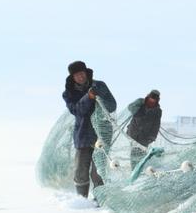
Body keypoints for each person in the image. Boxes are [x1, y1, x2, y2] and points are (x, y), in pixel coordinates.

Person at [62, 61, 116, 198]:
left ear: (86, 72)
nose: (80, 77)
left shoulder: (100, 85)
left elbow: (112, 105)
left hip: (102, 135)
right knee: (80, 170)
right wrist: (88, 97)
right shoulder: (68, 93)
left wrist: (99, 98)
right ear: (72, 77)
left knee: (98, 171)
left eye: (81, 73)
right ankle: (82, 200)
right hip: (83, 135)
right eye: (76, 75)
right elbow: (76, 110)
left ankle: (100, 199)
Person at [126, 90, 162, 169]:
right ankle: (134, 171)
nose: (151, 102)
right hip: (133, 133)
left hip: (145, 138)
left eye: (153, 101)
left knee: (141, 156)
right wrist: (139, 105)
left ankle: (138, 171)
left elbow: (156, 125)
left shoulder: (157, 111)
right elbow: (130, 107)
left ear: (157, 101)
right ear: (148, 97)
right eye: (150, 100)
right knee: (133, 154)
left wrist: (152, 138)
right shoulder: (140, 102)